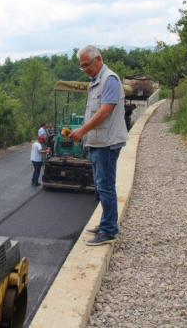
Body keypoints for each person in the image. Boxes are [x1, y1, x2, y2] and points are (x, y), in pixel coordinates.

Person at [69, 45, 129, 246]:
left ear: (99, 59)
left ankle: (109, 230)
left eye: (87, 64)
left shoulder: (109, 79)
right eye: (82, 66)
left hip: (106, 143)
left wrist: (81, 131)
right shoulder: (96, 81)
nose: (85, 69)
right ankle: (106, 223)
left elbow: (104, 112)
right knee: (102, 186)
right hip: (97, 143)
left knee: (106, 187)